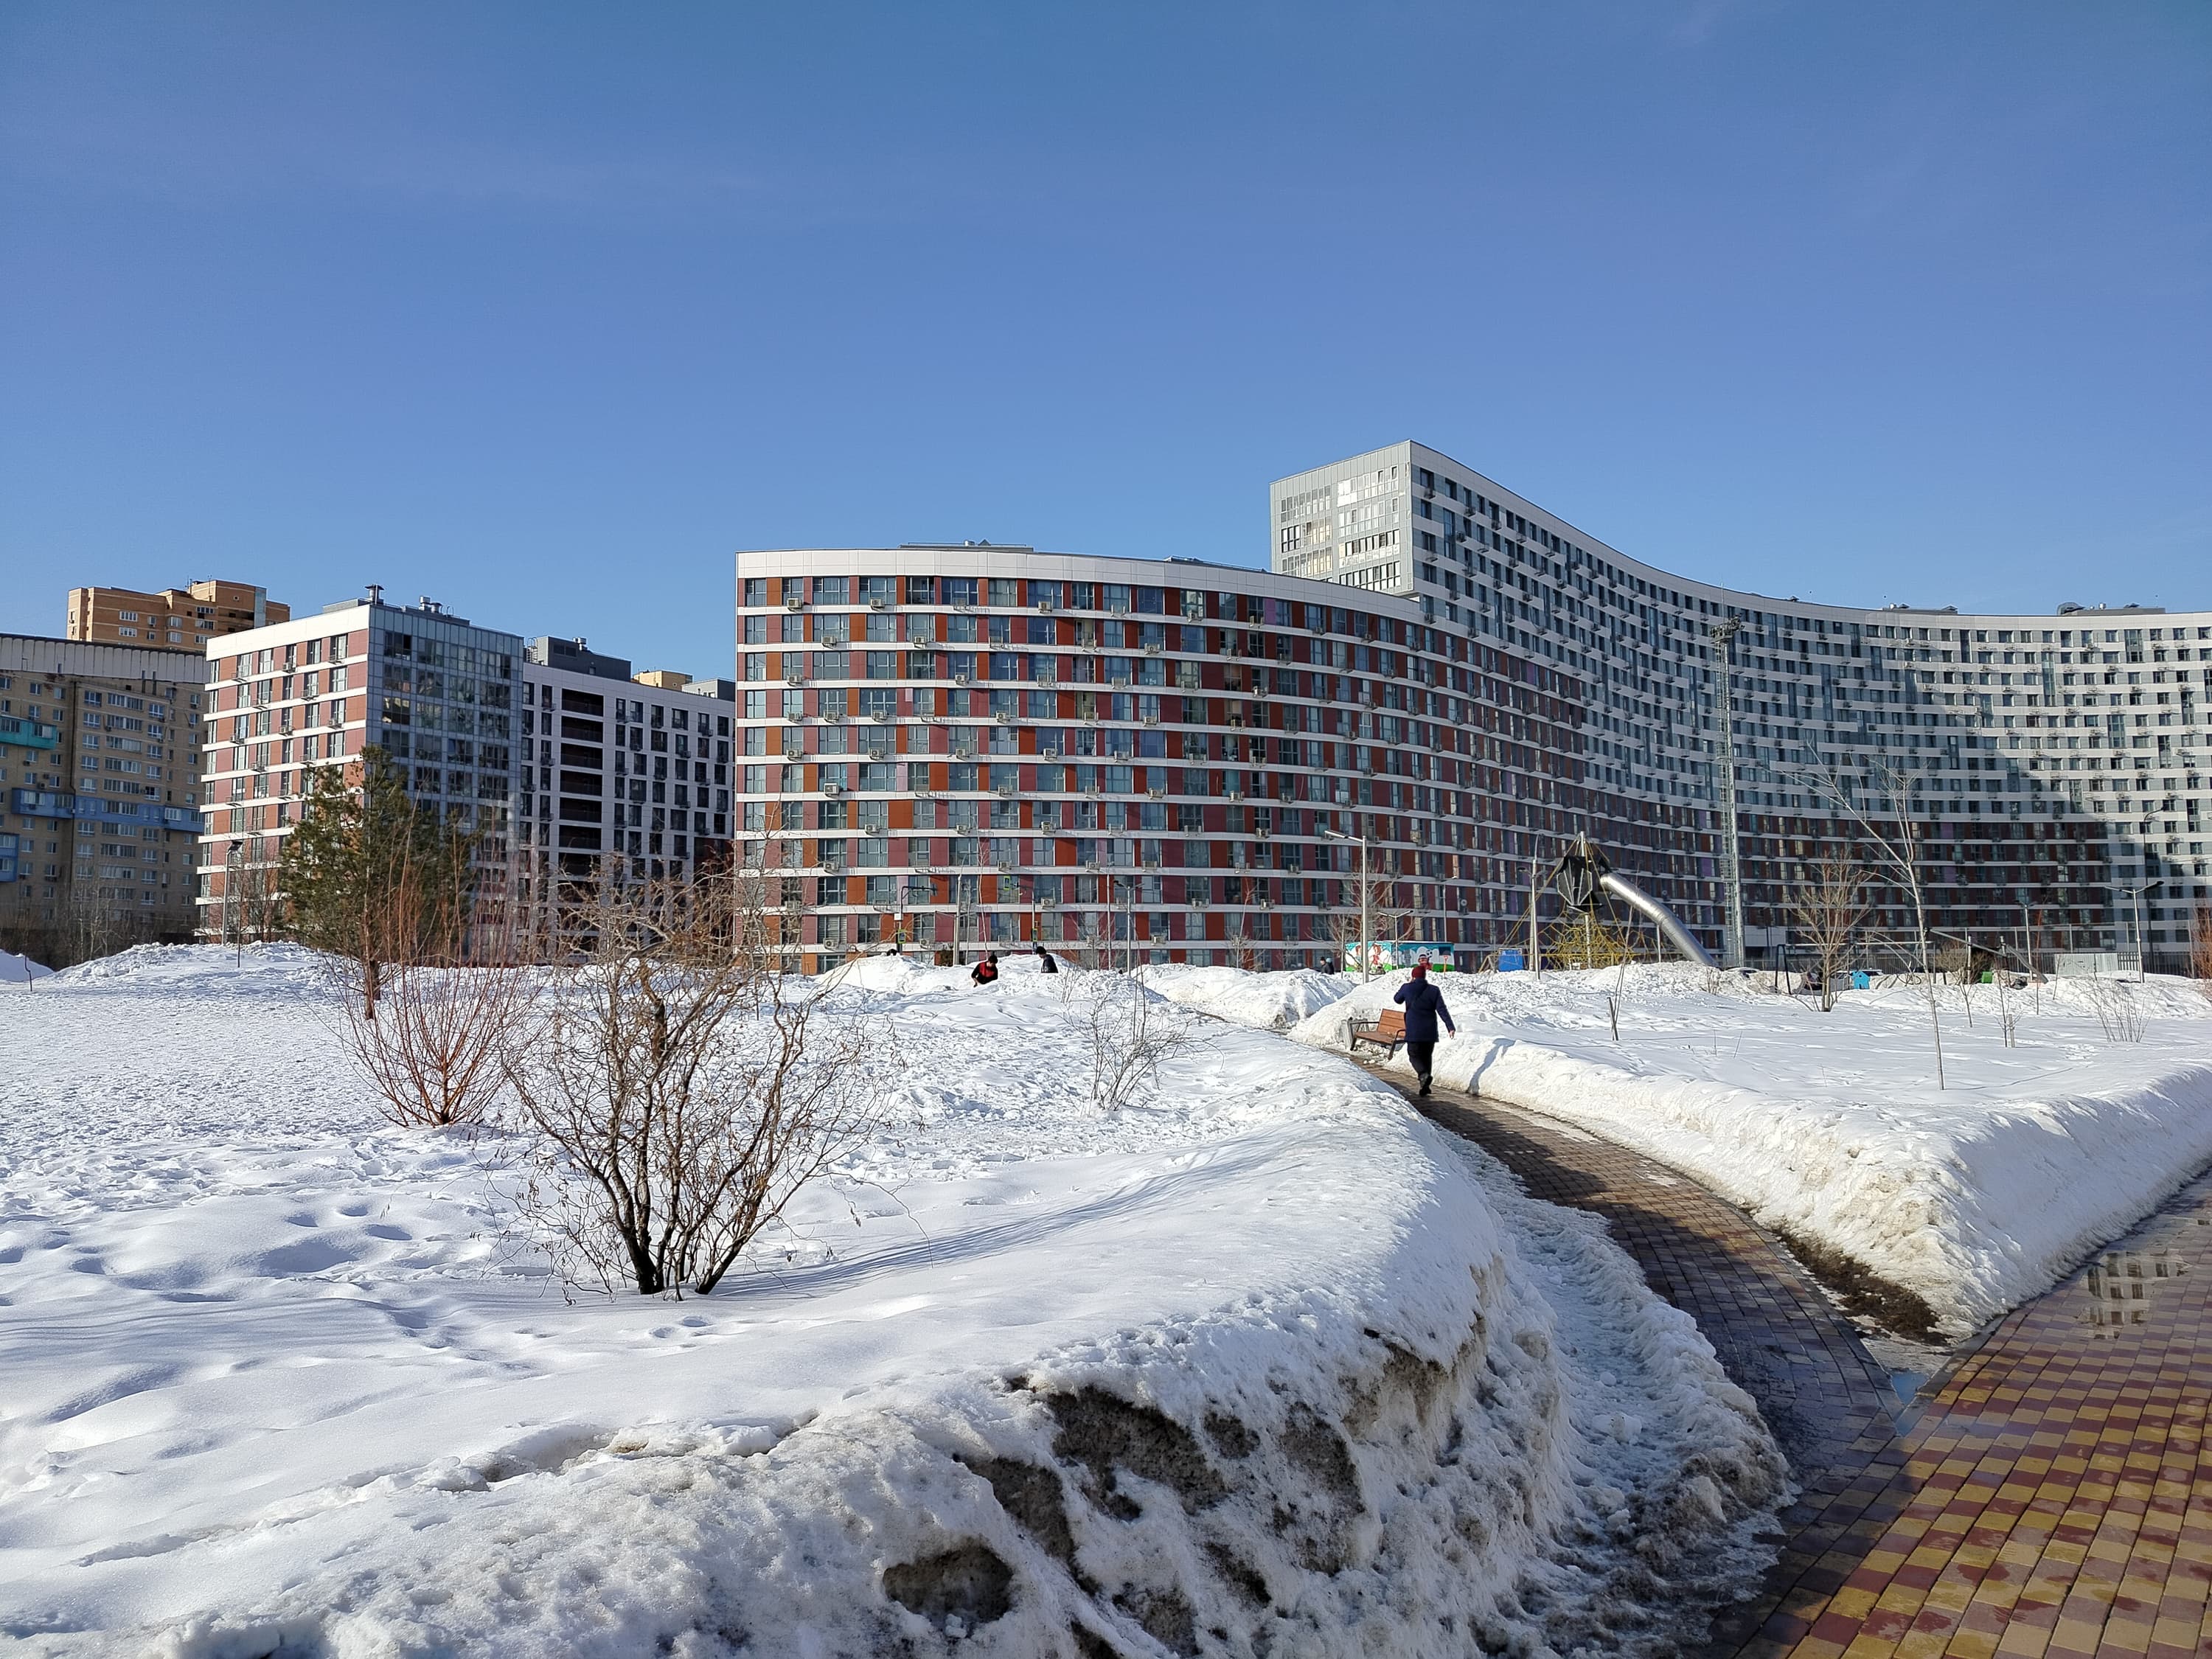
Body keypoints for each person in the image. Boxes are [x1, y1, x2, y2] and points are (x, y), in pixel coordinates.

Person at [1391, 957, 1456, 1098]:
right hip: (1429, 1030)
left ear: (1413, 976)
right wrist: (1450, 1026)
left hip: (1414, 1029)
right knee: (1427, 1057)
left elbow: (1397, 999)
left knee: (1413, 1055)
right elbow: (1442, 1009)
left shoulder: (1407, 987)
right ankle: (1425, 1087)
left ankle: (1423, 1075)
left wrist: (1408, 985)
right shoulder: (1434, 990)